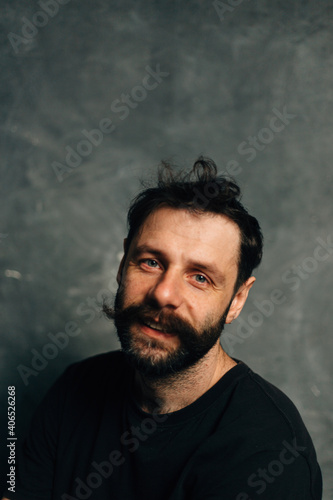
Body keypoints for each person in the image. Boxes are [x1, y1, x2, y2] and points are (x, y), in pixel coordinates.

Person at [3, 157, 322, 500]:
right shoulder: (75, 388)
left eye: (200, 277)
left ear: (237, 300)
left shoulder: (271, 453)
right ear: (123, 263)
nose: (163, 293)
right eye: (151, 262)